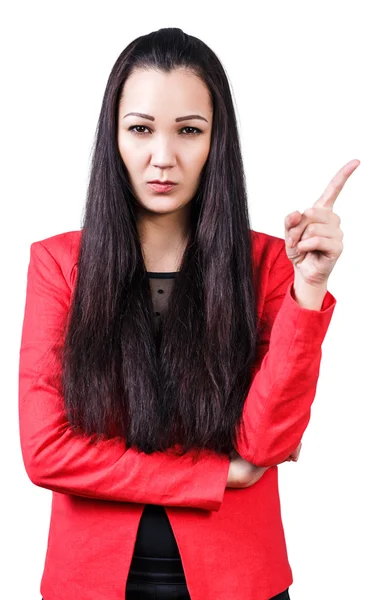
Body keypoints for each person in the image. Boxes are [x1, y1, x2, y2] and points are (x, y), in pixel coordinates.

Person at [18, 27, 359, 600]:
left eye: (189, 131)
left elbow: (266, 444)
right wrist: (215, 474)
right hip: (92, 582)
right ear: (115, 137)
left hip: (241, 579)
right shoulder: (58, 265)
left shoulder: (271, 264)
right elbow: (46, 451)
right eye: (142, 129)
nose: (163, 157)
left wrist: (309, 286)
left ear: (215, 142)